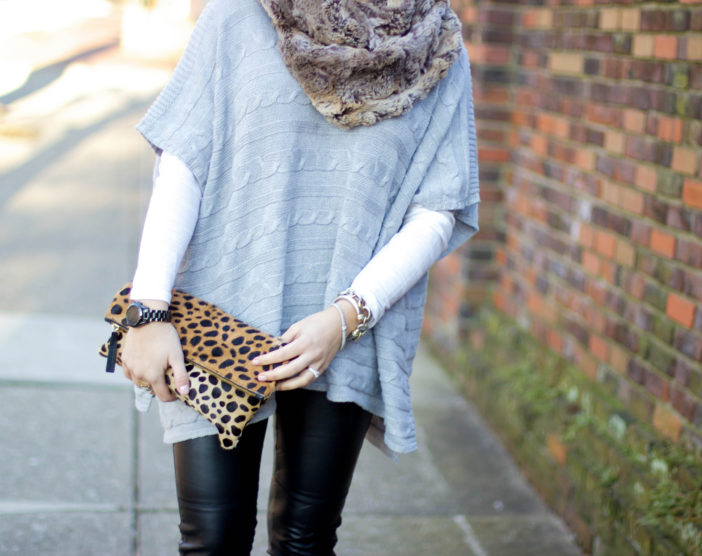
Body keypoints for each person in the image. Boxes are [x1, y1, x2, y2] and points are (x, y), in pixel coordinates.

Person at [120, 0, 479, 553]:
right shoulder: (239, 16)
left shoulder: (437, 47)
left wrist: (345, 317)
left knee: (304, 542)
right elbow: (184, 160)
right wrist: (147, 310)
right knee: (212, 541)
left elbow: (435, 213)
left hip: (351, 326)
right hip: (222, 310)